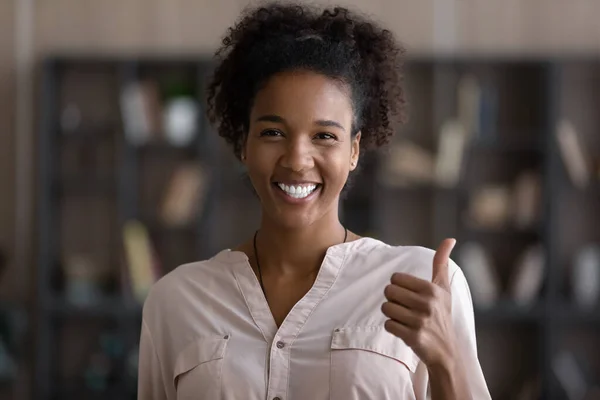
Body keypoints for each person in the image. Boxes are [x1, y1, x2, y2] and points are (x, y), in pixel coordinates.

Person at [138, 3, 491, 400]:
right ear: (243, 143)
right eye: (273, 132)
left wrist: (447, 360)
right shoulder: (175, 302)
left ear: (354, 151)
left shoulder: (424, 285)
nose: (297, 160)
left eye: (324, 136)